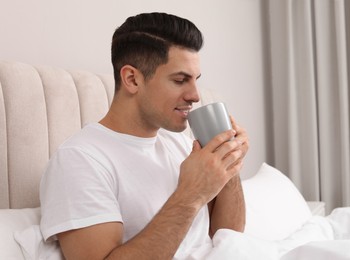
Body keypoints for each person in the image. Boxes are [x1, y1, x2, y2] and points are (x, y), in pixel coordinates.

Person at [40, 12, 249, 259]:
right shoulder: (80, 160)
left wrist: (230, 166)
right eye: (180, 80)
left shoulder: (179, 143)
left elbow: (227, 238)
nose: (195, 95)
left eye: (195, 80)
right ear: (132, 79)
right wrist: (190, 195)